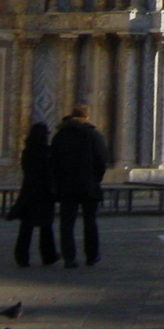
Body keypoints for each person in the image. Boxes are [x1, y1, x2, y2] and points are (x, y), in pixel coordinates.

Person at [51, 105, 109, 268]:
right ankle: (92, 255)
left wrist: (58, 182)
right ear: (86, 117)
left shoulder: (60, 137)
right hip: (88, 186)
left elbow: (53, 163)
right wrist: (95, 179)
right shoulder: (94, 135)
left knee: (67, 224)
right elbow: (101, 160)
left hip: (67, 187)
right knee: (90, 222)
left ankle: (69, 258)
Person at [10, 122, 59, 267]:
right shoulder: (47, 152)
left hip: (29, 191)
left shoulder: (27, 151)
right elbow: (50, 172)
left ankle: (21, 256)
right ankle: (48, 255)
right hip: (44, 192)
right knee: (46, 227)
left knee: (26, 227)